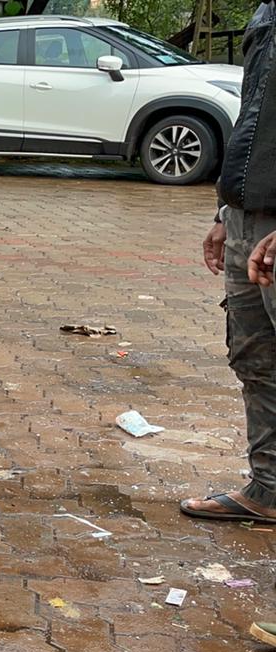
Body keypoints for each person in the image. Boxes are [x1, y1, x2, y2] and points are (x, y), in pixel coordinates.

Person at [181, 0, 276, 526]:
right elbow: (257, 119)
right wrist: (227, 210)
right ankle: (267, 490)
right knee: (256, 360)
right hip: (247, 216)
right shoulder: (266, 15)